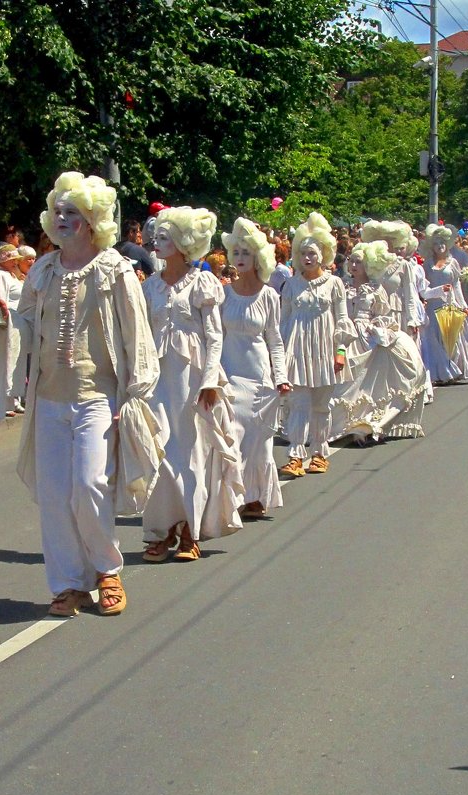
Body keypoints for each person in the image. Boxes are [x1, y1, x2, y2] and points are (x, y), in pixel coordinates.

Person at [9, 171, 160, 617]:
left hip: (98, 398)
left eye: (72, 212)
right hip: (50, 401)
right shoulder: (42, 269)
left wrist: (135, 393)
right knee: (55, 494)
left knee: (90, 485)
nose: (61, 219)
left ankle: (107, 570)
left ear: (92, 220)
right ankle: (69, 583)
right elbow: (24, 328)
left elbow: (136, 334)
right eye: (57, 210)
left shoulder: (113, 269)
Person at [141, 206, 244, 562]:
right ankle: (160, 529)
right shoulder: (149, 287)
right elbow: (141, 337)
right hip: (156, 379)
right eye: (157, 236)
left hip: (194, 380)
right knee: (158, 451)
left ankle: (190, 530)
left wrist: (210, 379)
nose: (158, 242)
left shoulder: (202, 282)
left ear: (185, 243)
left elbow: (215, 336)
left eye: (166, 237)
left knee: (192, 454)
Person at [221, 218, 290, 518]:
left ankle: (256, 496)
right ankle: (232, 495)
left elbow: (275, 339)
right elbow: (215, 337)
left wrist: (281, 376)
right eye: (236, 253)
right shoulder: (223, 295)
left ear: (257, 257)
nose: (239, 259)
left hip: (260, 377)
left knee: (259, 442)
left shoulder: (269, 296)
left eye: (245, 253)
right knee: (231, 435)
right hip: (230, 374)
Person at [279, 212, 357, 477]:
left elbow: (343, 320)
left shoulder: (334, 284)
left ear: (323, 254)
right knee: (298, 405)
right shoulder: (290, 285)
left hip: (325, 351)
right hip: (297, 352)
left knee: (321, 407)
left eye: (312, 253)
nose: (307, 258)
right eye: (303, 253)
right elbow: (282, 322)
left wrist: (341, 351)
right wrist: (277, 355)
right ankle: (295, 454)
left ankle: (319, 453)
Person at [330, 241, 427, 443]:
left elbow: (383, 314)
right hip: (344, 335)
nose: (354, 265)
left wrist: (374, 327)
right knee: (343, 382)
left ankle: (364, 423)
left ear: (370, 266)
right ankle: (340, 423)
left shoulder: (376, 289)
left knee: (365, 383)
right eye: (352, 260)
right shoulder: (341, 285)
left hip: (366, 337)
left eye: (359, 262)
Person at [420, 224, 468, 383]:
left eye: (442, 243)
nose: (440, 246)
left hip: (450, 303)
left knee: (452, 338)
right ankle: (442, 372)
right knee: (435, 339)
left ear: (447, 244)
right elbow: (423, 286)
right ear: (431, 246)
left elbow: (456, 286)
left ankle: (453, 368)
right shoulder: (427, 264)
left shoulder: (453, 262)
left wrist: (463, 306)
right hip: (433, 305)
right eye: (436, 243)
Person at [0, 244, 28, 418]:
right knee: (1, 362)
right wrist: (3, 321)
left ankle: (12, 399)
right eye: (11, 260)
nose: (14, 263)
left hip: (17, 323)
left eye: (15, 260)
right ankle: (0, 402)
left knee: (14, 362)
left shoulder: (12, 276)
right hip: (6, 323)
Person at [361, 220, 419, 337]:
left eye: (390, 239)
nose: (385, 242)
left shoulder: (403, 264)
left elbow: (410, 293)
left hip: (396, 315)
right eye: (381, 238)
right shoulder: (367, 263)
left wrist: (412, 319)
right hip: (372, 316)